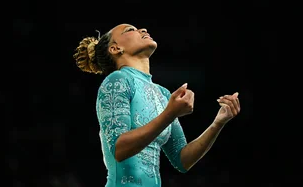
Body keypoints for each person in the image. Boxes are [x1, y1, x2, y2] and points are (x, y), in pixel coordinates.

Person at [73, 23, 241, 187]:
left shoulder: (163, 94)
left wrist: (218, 123)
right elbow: (120, 149)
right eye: (130, 30)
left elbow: (183, 160)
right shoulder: (117, 81)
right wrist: (169, 113)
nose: (143, 29)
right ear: (116, 48)